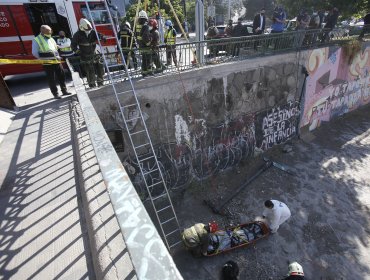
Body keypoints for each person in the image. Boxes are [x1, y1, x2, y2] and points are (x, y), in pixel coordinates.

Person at [31, 25, 71, 99]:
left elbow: (55, 48)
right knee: (51, 79)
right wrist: (43, 58)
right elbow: (34, 52)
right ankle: (55, 94)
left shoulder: (51, 38)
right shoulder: (36, 39)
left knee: (61, 76)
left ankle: (64, 91)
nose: (50, 33)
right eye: (48, 32)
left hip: (56, 61)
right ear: (42, 32)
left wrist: (58, 54)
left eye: (50, 31)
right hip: (47, 63)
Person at [71, 18, 105, 88]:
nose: (88, 31)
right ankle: (92, 85)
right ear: (81, 27)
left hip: (94, 53)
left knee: (100, 68)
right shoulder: (77, 35)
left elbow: (99, 35)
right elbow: (73, 45)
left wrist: (102, 37)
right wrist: (79, 52)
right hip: (85, 56)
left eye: (89, 29)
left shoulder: (92, 32)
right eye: (87, 30)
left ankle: (100, 82)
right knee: (90, 71)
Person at [137, 10, 152, 77]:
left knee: (144, 59)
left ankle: (144, 72)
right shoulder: (146, 26)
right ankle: (147, 73)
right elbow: (145, 36)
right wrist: (148, 43)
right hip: (145, 45)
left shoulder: (137, 25)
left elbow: (136, 35)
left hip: (140, 45)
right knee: (148, 59)